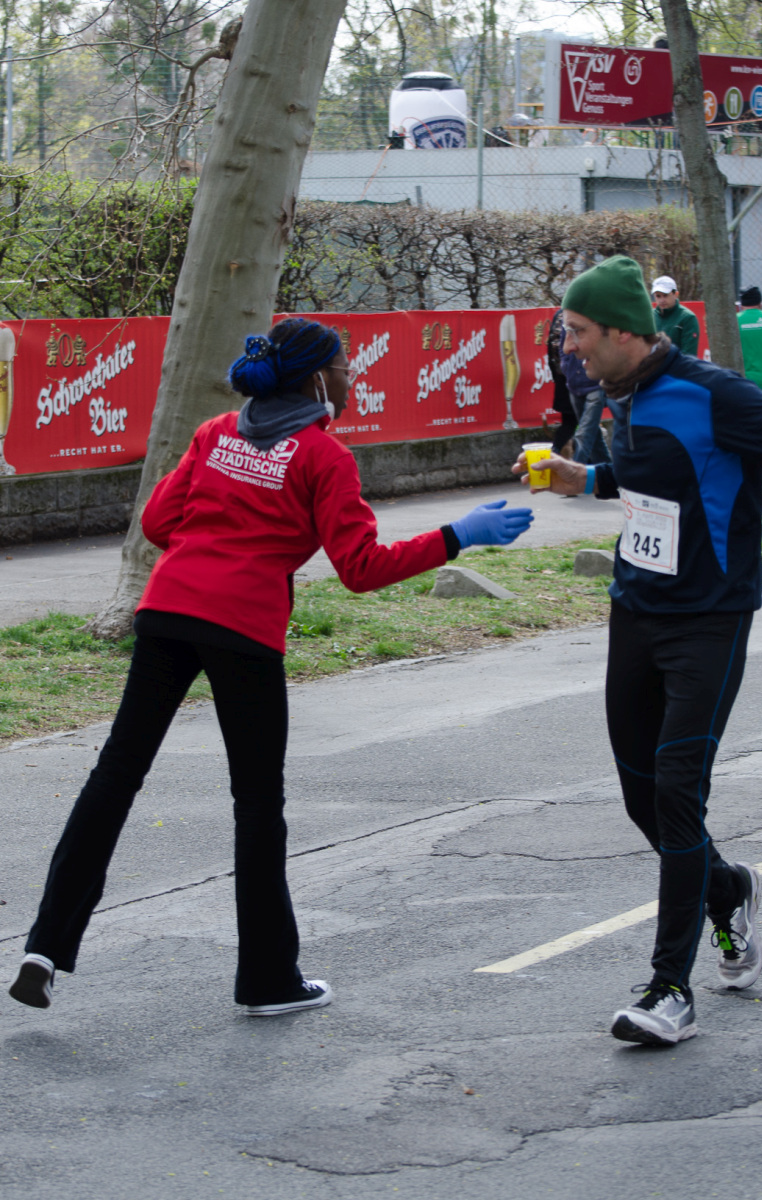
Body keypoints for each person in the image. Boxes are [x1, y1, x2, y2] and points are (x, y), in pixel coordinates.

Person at [9, 318, 533, 1018]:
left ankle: (44, 948)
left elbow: (159, 524)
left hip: (167, 611)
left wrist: (218, 526)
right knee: (257, 803)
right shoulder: (323, 456)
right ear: (317, 379)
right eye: (344, 366)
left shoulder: (216, 432)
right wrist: (457, 535)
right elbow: (361, 568)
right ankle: (266, 980)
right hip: (243, 629)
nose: (352, 376)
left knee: (115, 776)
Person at [513, 255, 762, 1046]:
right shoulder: (615, 393)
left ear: (621, 331)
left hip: (708, 619)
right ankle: (726, 889)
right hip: (633, 612)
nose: (567, 347)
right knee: (642, 797)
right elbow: (645, 480)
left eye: (576, 332)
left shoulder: (718, 396)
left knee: (676, 791)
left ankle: (669, 989)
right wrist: (581, 478)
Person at [556, 312, 612, 466]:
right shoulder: (567, 315)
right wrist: (566, 365)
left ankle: (575, 469)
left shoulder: (598, 315)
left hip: (596, 384)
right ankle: (608, 472)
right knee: (593, 434)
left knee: (585, 432)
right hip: (574, 385)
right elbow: (562, 346)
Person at [547, 309, 578, 455]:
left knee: (572, 423)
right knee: (580, 425)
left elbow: (550, 352)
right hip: (577, 380)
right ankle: (553, 453)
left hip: (563, 380)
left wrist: (557, 377)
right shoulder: (579, 315)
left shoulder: (559, 315)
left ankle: (554, 453)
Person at [651, 275, 700, 356]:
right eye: (658, 296)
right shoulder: (650, 316)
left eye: (665, 295)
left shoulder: (688, 318)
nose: (661, 300)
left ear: (676, 294)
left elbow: (689, 356)